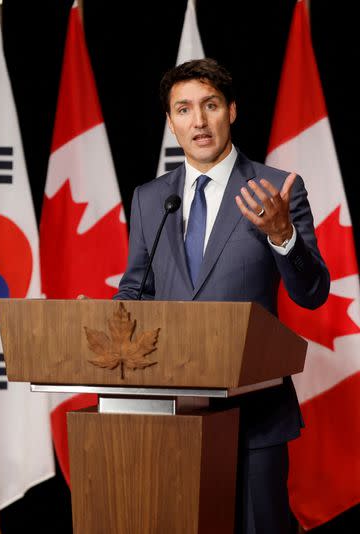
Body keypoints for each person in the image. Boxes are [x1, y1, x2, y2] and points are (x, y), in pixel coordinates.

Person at [115, 58, 330, 534]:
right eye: (184, 109)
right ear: (171, 123)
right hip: (170, 417)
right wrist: (116, 319)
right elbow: (136, 287)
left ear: (231, 111)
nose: (198, 120)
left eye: (209, 105)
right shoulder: (151, 198)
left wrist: (283, 236)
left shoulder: (274, 189)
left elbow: (313, 292)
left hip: (255, 418)